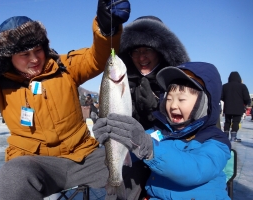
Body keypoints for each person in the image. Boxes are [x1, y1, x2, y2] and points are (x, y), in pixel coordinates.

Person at [0, 1, 149, 200]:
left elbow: (96, 58)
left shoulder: (65, 67)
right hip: (35, 164)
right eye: (24, 54)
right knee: (12, 178)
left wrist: (107, 27)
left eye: (38, 50)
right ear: (8, 57)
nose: (34, 59)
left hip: (84, 158)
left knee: (131, 168)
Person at [94, 62, 232, 199]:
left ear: (204, 103)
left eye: (181, 99)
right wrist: (114, 137)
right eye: (169, 98)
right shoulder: (160, 133)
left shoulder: (216, 141)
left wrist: (150, 148)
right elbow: (133, 150)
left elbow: (195, 171)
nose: (173, 105)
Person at [118, 16, 190, 130]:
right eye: (135, 51)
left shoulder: (183, 82)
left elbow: (194, 128)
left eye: (148, 49)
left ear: (161, 52)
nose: (141, 57)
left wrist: (156, 110)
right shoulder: (122, 83)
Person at [221, 71, 251, 142]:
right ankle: (233, 138)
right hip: (238, 108)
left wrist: (227, 100)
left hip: (228, 108)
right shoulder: (242, 86)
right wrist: (247, 103)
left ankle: (225, 137)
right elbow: (246, 97)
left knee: (227, 121)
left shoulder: (225, 86)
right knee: (236, 122)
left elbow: (221, 96)